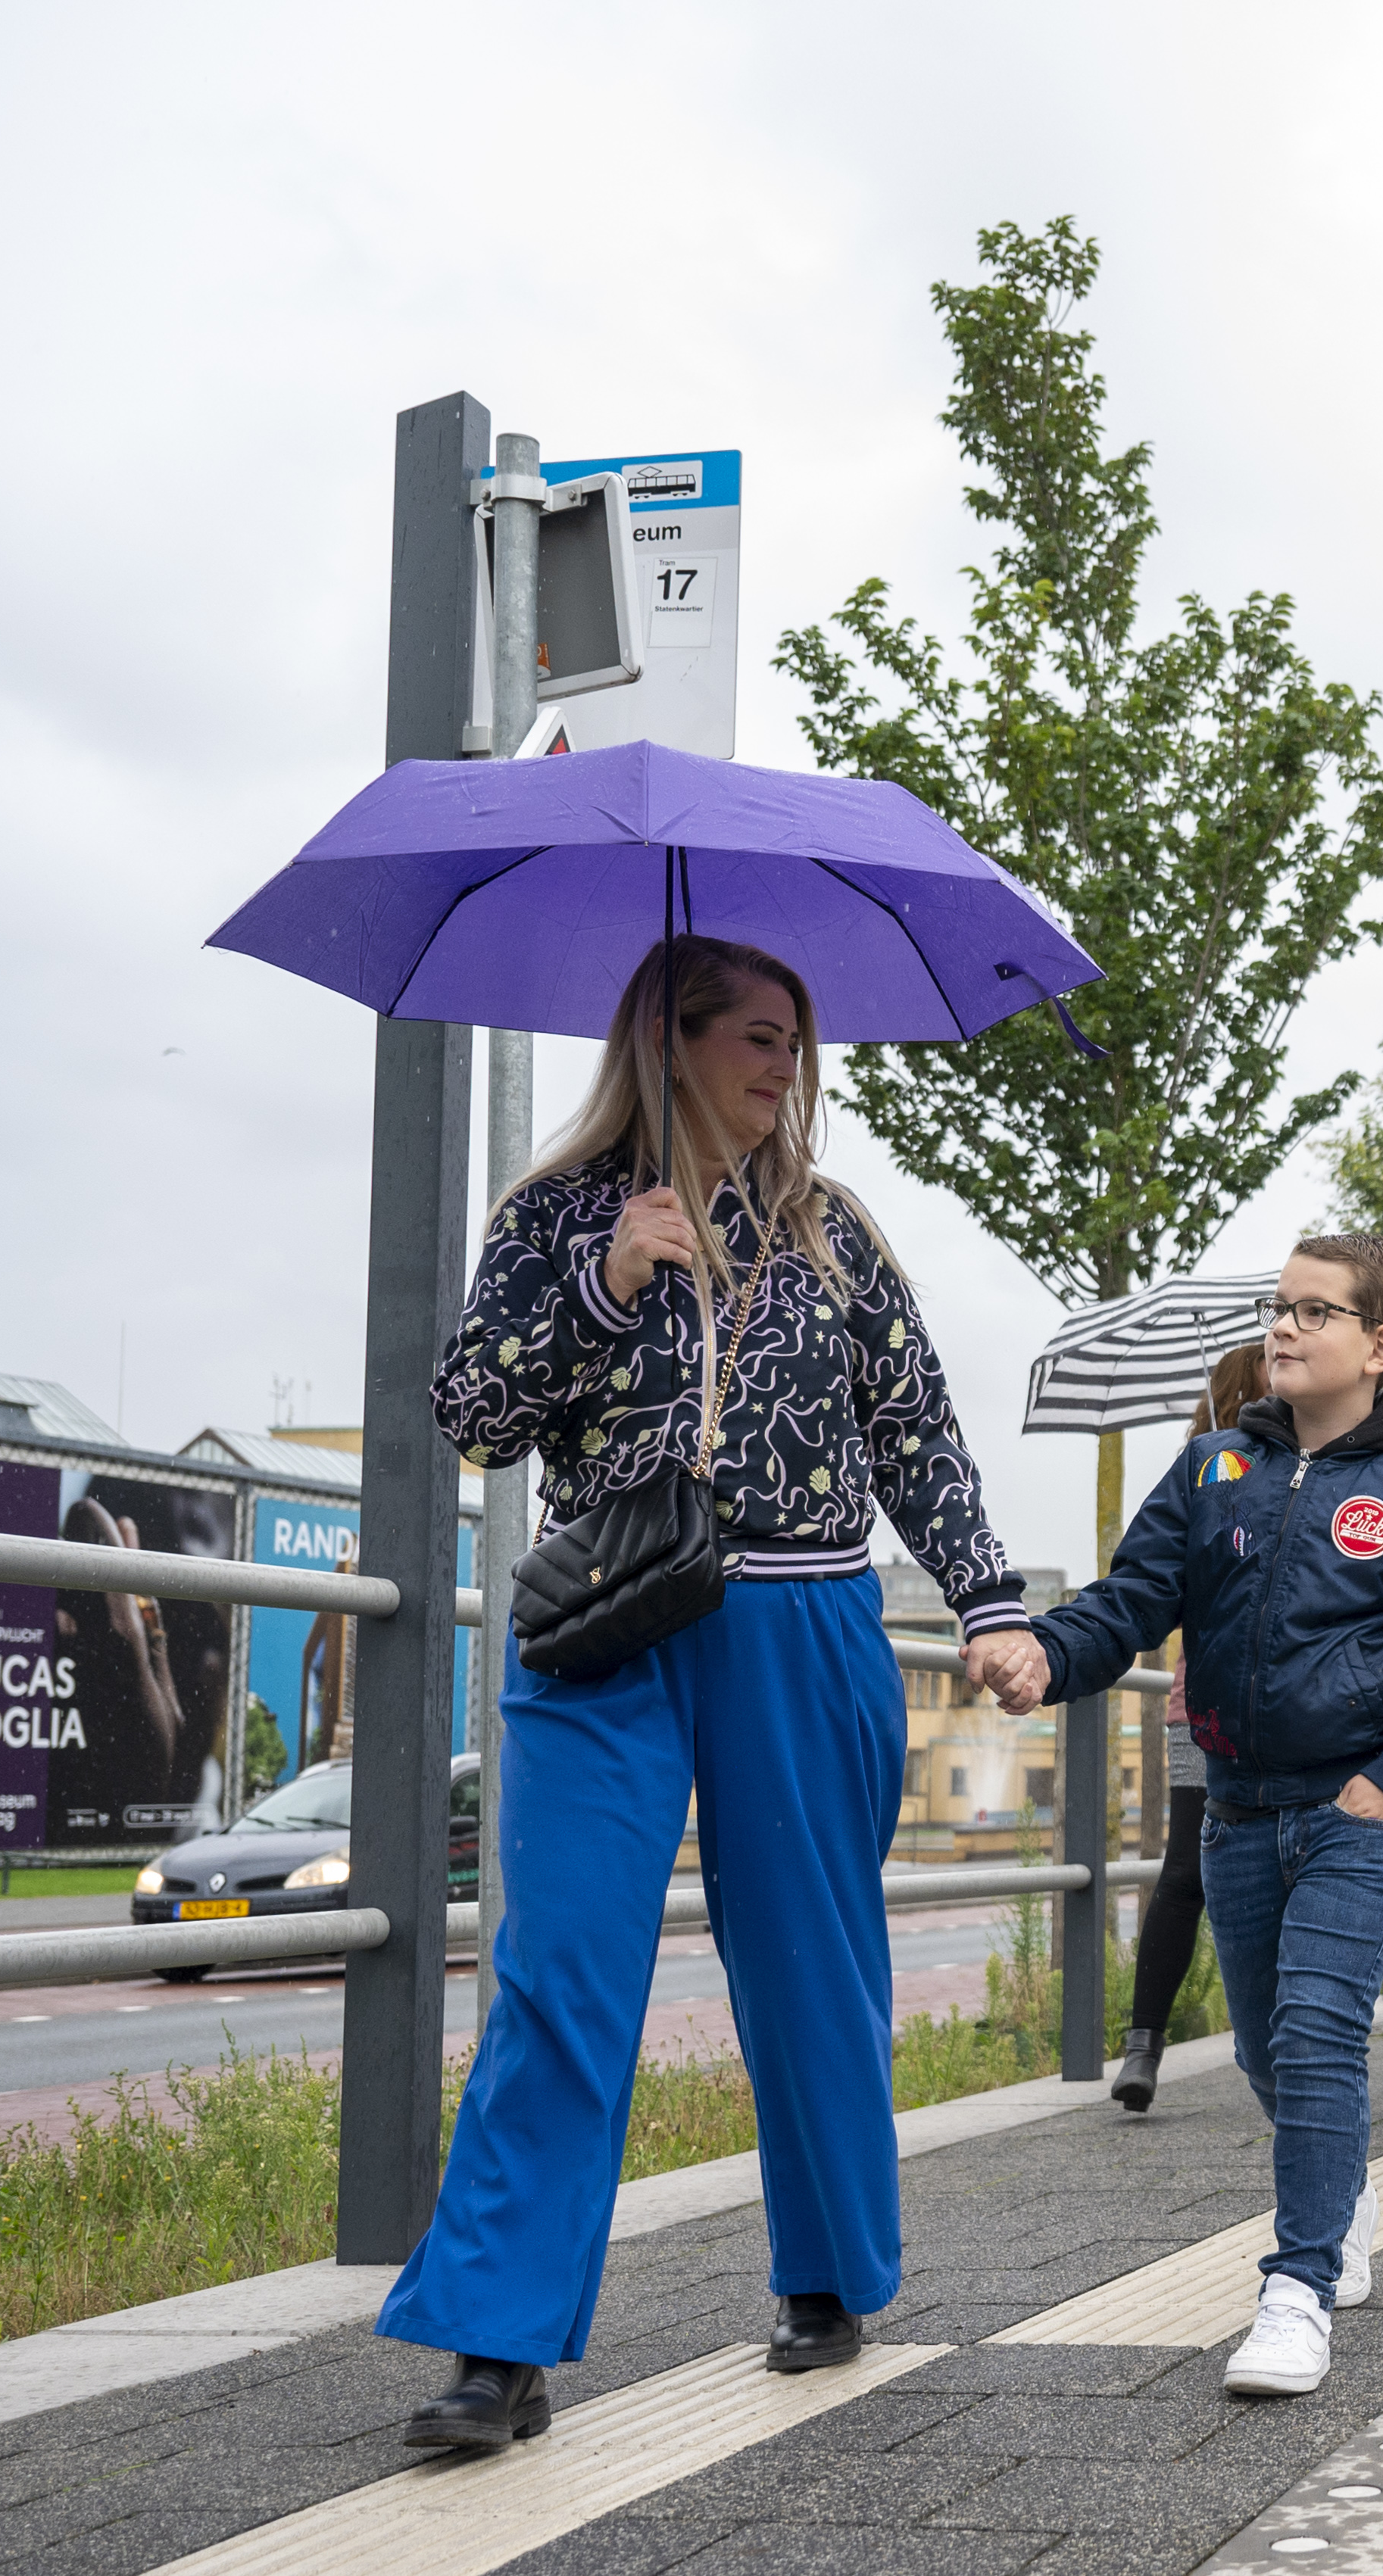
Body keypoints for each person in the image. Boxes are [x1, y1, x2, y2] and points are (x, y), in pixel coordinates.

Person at [385, 938, 1033, 2450]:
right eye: (753, 1033)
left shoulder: (835, 1235)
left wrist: (992, 1595)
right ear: (668, 1038)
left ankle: (828, 2273)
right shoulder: (557, 1213)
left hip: (800, 1619)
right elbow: (473, 1411)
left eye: (795, 1040)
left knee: (812, 1960)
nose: (782, 1065)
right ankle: (498, 2337)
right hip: (604, 1617)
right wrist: (610, 1283)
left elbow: (917, 1432)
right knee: (563, 1967)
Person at [982, 1237, 1383, 2397]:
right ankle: (1341, 2188)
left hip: (1356, 1818)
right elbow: (1128, 1602)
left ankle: (1297, 2290)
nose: (1283, 1327)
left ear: (1379, 1347)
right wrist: (1042, 1654)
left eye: (1314, 1312)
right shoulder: (1213, 1470)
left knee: (1319, 2030)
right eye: (1277, 1307)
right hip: (1235, 1817)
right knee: (1271, 2049)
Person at [1109, 1339, 1268, 2113]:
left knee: (1202, 1874)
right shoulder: (1207, 1476)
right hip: (1208, 1704)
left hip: (1233, 1704)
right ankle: (1149, 2043)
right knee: (1193, 1871)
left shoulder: (1259, 1468)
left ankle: (1160, 2043)